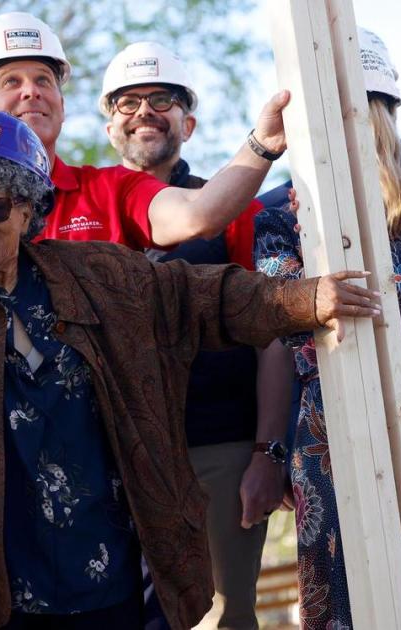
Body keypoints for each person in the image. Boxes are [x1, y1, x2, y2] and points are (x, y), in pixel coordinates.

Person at [0, 110, 379, 629]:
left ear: (28, 208)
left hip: (102, 573)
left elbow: (205, 298)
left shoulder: (98, 273)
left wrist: (306, 299)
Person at [254, 27, 401, 629]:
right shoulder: (277, 220)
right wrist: (316, 295)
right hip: (329, 420)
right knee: (347, 578)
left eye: (367, 114)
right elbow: (273, 305)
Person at [99, 42, 282, 630]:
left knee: (223, 616)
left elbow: (273, 337)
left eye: (162, 100)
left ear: (189, 122)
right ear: (109, 126)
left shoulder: (233, 209)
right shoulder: (77, 211)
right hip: (111, 458)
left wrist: (266, 454)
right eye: (128, 102)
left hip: (219, 447)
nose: (144, 111)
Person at [0, 12, 272, 251]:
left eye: (43, 80)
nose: (31, 91)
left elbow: (197, 215)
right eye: (11, 81)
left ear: (62, 107)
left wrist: (263, 145)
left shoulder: (113, 191)